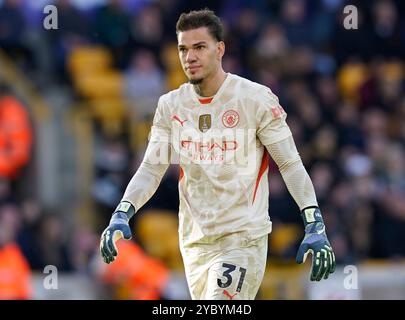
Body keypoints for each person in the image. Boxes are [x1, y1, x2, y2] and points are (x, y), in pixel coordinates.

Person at [100, 9, 336, 300]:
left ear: (220, 49)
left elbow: (289, 163)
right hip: (195, 242)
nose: (190, 57)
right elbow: (151, 168)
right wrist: (122, 211)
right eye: (183, 49)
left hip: (242, 237)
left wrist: (313, 220)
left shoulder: (255, 98)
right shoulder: (171, 106)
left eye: (199, 47)